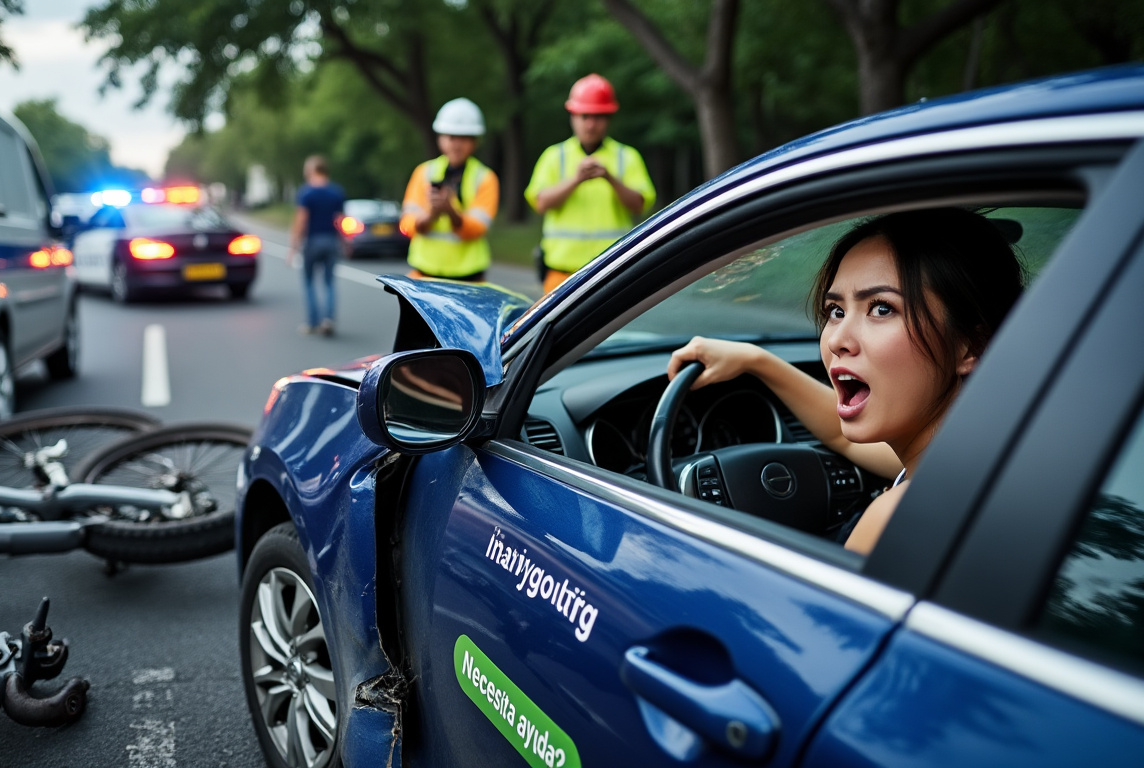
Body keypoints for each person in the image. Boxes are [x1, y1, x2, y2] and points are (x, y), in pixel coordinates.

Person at [667, 208, 1024, 556]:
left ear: (971, 346)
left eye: (881, 308)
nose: (837, 339)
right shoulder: (986, 461)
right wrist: (756, 360)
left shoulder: (895, 517)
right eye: (836, 311)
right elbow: (843, 438)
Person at [525, 73, 655, 293]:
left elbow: (640, 204)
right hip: (561, 273)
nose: (591, 124)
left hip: (612, 271)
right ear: (573, 116)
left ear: (609, 118)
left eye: (598, 116)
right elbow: (540, 203)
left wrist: (610, 178)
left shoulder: (627, 156)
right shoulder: (554, 156)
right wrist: (576, 180)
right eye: (585, 116)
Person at [399, 98, 500, 282]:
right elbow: (407, 224)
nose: (456, 144)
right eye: (451, 136)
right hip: (424, 274)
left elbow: (478, 228)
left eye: (464, 137)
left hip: (469, 277)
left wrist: (451, 211)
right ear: (440, 138)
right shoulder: (423, 172)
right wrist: (432, 214)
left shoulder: (485, 178)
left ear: (475, 141)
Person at [289, 155, 346, 335]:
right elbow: (340, 220)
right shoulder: (337, 192)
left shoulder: (306, 193)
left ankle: (313, 322)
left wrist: (293, 247)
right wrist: (344, 241)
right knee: (329, 282)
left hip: (313, 241)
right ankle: (328, 320)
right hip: (331, 241)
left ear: (311, 170)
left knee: (309, 282)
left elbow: (301, 221)